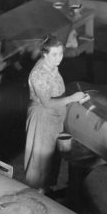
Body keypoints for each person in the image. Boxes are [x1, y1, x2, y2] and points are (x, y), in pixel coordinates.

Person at [24, 34, 88, 192]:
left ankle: (48, 188)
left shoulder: (52, 67)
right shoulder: (39, 74)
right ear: (44, 54)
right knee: (40, 158)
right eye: (54, 54)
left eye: (60, 53)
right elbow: (46, 103)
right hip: (43, 116)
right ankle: (38, 193)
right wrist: (71, 98)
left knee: (52, 157)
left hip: (56, 116)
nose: (59, 58)